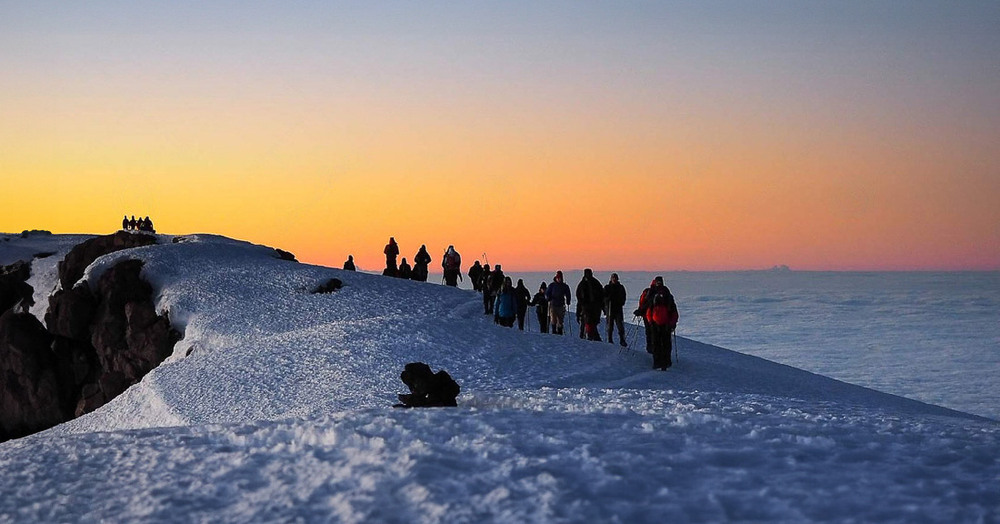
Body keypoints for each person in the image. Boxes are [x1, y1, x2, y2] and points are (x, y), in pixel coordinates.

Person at [644, 276, 679, 370]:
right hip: (664, 324)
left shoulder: (656, 295)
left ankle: (658, 362)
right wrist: (672, 323)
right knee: (664, 344)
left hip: (658, 324)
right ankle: (664, 363)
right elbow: (674, 312)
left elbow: (649, 311)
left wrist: (650, 322)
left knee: (658, 344)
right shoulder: (668, 296)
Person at [576, 268, 604, 341]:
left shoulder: (583, 283)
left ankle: (588, 337)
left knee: (589, 322)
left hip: (591, 307)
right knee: (589, 322)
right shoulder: (595, 282)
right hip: (590, 307)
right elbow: (601, 295)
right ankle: (592, 337)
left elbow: (579, 297)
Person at [635, 278, 658, 354]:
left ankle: (650, 347)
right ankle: (654, 348)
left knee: (648, 331)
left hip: (646, 314)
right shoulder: (661, 292)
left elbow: (642, 302)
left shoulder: (647, 291)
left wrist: (640, 310)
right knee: (655, 332)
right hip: (655, 316)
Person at [604, 273, 628, 346]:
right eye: (613, 278)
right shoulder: (607, 287)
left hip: (618, 308)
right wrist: (608, 300)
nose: (614, 279)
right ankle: (610, 339)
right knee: (610, 325)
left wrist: (620, 302)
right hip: (610, 308)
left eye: (615, 278)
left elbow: (623, 297)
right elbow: (603, 297)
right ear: (611, 279)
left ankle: (622, 339)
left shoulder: (620, 287)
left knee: (620, 325)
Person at [545, 271, 572, 335]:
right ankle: (554, 331)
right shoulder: (552, 285)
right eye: (559, 278)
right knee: (553, 319)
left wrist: (568, 300)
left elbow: (568, 293)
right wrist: (548, 297)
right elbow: (547, 293)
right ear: (556, 278)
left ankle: (559, 332)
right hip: (553, 304)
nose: (560, 279)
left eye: (561, 278)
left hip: (561, 305)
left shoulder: (564, 286)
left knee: (560, 320)